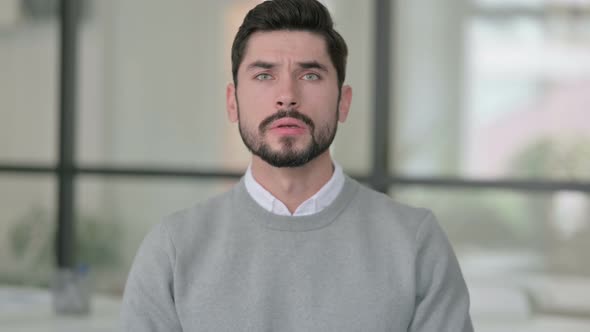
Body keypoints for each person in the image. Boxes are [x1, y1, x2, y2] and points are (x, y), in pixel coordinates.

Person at [121, 0, 474, 331]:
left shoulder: (415, 242)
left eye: (310, 75)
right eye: (264, 75)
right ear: (233, 102)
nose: (287, 94)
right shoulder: (173, 248)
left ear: (343, 102)